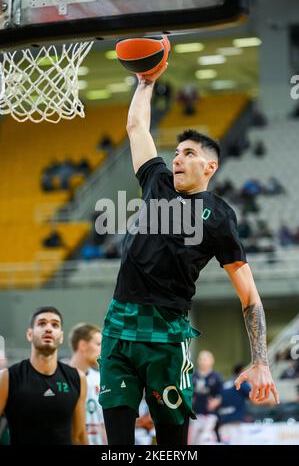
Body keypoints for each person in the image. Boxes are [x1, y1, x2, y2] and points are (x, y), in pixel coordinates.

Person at [99, 59, 279, 446]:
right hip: (119, 324)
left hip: (167, 331)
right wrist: (145, 82)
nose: (177, 158)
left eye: (188, 153)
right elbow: (136, 127)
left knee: (172, 445)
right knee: (117, 444)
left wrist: (261, 360)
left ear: (209, 166)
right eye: (176, 152)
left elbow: (248, 293)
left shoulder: (219, 215)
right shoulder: (157, 181)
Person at [0, 307, 88, 445]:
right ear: (30, 334)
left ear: (61, 336)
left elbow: (79, 436)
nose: (48, 329)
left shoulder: (77, 378)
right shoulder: (7, 377)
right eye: (42, 323)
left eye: (55, 325)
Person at [69, 323, 106, 445]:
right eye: (98, 344)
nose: (102, 349)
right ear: (83, 345)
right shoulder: (61, 379)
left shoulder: (101, 380)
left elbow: (104, 423)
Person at [189, 351, 223, 445]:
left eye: (205, 359)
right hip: (195, 413)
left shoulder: (216, 376)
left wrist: (216, 401)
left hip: (210, 415)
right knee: (194, 440)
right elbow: (188, 393)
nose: (203, 361)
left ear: (211, 361)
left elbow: (221, 394)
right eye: (201, 359)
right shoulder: (193, 376)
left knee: (205, 439)